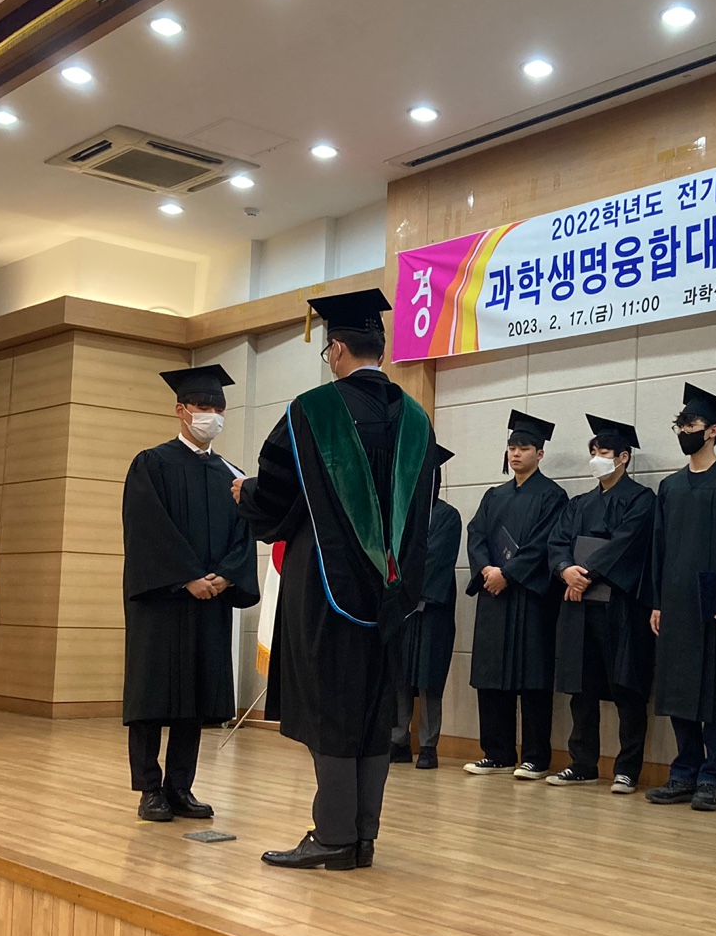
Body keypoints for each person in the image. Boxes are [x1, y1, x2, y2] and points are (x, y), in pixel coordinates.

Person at [234, 288, 436, 870]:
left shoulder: (313, 410)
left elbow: (277, 495)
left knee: (331, 709)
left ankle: (332, 836)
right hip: (391, 595)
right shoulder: (417, 420)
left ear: (339, 349)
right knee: (374, 710)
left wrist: (246, 494)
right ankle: (362, 836)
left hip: (326, 588)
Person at [121, 364, 260, 822]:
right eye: (203, 406)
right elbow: (147, 529)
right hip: (163, 600)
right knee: (152, 696)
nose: (212, 416)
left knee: (195, 697)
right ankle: (149, 789)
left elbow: (245, 534)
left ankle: (180, 786)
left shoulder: (231, 475)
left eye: (218, 408)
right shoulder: (151, 464)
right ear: (181, 410)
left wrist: (227, 576)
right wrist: (187, 577)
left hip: (210, 601)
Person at [645, 384, 716, 812]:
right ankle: (683, 774)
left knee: (715, 695)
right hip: (676, 604)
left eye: (691, 425)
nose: (684, 432)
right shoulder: (670, 487)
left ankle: (713, 779)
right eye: (680, 425)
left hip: (715, 606)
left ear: (713, 430)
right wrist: (657, 601)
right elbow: (659, 548)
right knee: (678, 692)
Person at [546, 415, 656, 794]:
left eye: (604, 452)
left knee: (626, 687)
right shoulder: (579, 503)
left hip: (620, 607)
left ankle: (627, 768)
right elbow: (557, 541)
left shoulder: (642, 499)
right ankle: (583, 763)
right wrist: (565, 570)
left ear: (623, 457)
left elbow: (626, 543)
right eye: (593, 451)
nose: (597, 458)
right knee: (582, 687)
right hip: (579, 606)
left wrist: (586, 574)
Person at [463, 410, 568, 780]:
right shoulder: (494, 495)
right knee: (491, 675)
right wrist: (486, 570)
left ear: (540, 453)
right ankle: (497, 753)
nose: (516, 453)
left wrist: (508, 573)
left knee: (532, 676)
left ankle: (536, 757)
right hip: (495, 597)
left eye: (524, 448)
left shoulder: (553, 496)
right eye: (512, 447)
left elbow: (545, 543)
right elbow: (476, 535)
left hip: (530, 598)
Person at [392, 445, 462, 770]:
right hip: (402, 610)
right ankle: (398, 740)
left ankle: (429, 745)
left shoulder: (448, 515)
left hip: (432, 609)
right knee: (400, 677)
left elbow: (435, 558)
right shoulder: (401, 514)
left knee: (429, 679)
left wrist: (407, 588)